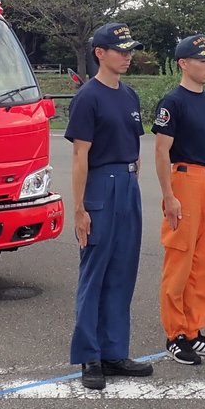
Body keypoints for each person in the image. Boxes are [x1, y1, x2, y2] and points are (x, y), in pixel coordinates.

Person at [66, 21, 153, 390]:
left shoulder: (129, 94)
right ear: (99, 53)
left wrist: (133, 181)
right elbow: (79, 157)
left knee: (122, 271)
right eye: (120, 50)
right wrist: (80, 208)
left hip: (127, 184)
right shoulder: (89, 96)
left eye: (130, 49)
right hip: (101, 185)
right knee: (96, 272)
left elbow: (135, 145)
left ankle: (115, 351)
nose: (127, 56)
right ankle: (90, 356)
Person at [152, 33, 205, 364]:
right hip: (185, 181)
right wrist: (168, 195)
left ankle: (195, 330)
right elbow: (160, 150)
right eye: (202, 59)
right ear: (183, 64)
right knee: (180, 260)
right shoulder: (173, 102)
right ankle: (176, 334)